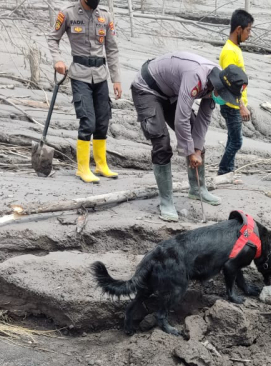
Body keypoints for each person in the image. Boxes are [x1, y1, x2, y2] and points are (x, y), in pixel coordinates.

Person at [130, 53, 248, 222]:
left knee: (196, 140)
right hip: (147, 89)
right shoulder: (196, 77)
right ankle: (166, 202)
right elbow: (181, 118)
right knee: (162, 144)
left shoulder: (218, 82)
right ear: (219, 86)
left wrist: (197, 150)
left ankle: (197, 189)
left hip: (171, 92)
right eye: (225, 95)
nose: (224, 99)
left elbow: (204, 119)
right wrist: (190, 152)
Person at [48, 0, 121, 184]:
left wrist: (116, 79)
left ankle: (101, 165)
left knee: (102, 121)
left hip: (101, 75)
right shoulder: (67, 13)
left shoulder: (105, 16)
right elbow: (53, 38)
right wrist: (57, 60)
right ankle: (82, 168)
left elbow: (112, 49)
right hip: (80, 75)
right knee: (88, 121)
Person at [216, 9, 253, 176]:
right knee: (237, 142)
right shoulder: (229, 52)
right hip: (232, 104)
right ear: (239, 29)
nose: (249, 35)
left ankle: (228, 172)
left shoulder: (234, 48)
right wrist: (242, 106)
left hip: (234, 103)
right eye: (248, 30)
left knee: (232, 139)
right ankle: (224, 170)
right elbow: (231, 84)